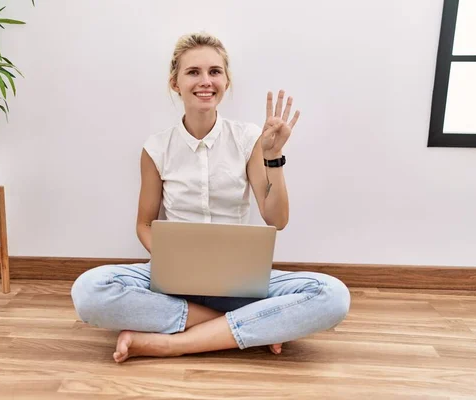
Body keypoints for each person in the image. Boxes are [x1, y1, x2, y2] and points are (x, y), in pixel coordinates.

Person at [71, 32, 351, 363]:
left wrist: (273, 157)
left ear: (226, 81)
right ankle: (248, 327)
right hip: (173, 282)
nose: (206, 81)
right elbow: (144, 223)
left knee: (332, 296)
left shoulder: (250, 140)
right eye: (193, 72)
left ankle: (172, 343)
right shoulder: (156, 148)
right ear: (175, 82)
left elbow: (277, 220)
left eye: (215, 72)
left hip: (240, 283)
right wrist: (173, 259)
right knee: (89, 290)